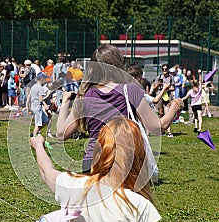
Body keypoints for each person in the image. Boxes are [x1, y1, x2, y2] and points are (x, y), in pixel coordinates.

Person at [31, 117, 167, 222]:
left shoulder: (74, 185)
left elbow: (46, 170)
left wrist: (38, 146)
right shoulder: (138, 205)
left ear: (99, 150)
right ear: (138, 156)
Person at [56, 44, 165, 173]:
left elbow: (61, 134)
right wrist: (176, 105)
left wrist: (65, 102)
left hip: (92, 162)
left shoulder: (86, 94)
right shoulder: (130, 91)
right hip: (122, 161)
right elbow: (157, 127)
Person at [26, 73, 49, 137]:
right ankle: (34, 137)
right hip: (37, 107)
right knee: (38, 124)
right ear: (41, 79)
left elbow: (29, 96)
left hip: (33, 106)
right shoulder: (40, 88)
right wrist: (47, 96)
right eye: (45, 79)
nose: (45, 80)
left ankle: (34, 132)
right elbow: (40, 100)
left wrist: (27, 106)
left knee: (46, 120)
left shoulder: (33, 86)